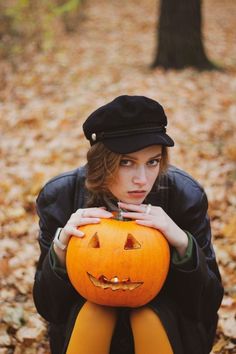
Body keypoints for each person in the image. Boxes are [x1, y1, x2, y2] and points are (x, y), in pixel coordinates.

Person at [33, 95, 224, 354]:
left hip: (168, 328)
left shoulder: (184, 194)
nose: (142, 180)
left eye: (152, 162)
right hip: (86, 326)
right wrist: (59, 251)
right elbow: (49, 308)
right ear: (101, 161)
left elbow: (206, 304)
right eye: (126, 163)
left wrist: (181, 243)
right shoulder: (61, 195)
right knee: (95, 313)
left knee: (146, 316)